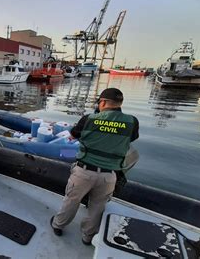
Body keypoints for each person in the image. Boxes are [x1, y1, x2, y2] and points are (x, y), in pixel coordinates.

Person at [50, 88, 139, 245]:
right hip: (109, 176)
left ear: (103, 102)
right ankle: (87, 236)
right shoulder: (132, 121)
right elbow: (131, 139)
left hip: (84, 172)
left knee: (72, 200)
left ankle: (58, 225)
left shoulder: (89, 119)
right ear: (120, 103)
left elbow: (73, 135)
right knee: (97, 207)